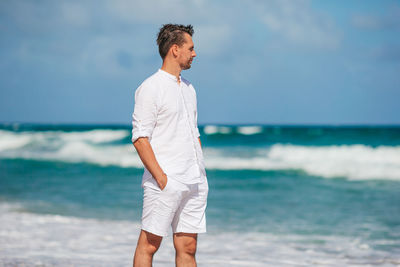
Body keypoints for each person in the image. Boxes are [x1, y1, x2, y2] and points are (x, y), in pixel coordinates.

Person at [131, 24, 208, 267]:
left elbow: (193, 132)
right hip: (166, 181)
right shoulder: (150, 87)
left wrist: (201, 172)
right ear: (175, 50)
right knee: (150, 244)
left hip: (194, 180)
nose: (194, 54)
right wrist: (162, 179)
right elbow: (140, 138)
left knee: (188, 247)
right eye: (191, 48)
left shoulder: (189, 88)